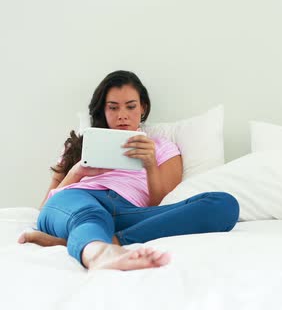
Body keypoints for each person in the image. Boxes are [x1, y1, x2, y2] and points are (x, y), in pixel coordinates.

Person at [19, 70, 239, 271]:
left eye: (130, 106)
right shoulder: (81, 145)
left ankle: (98, 241)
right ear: (103, 110)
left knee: (224, 204)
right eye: (113, 107)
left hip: (130, 213)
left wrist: (150, 164)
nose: (122, 115)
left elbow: (160, 204)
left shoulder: (163, 148)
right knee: (91, 215)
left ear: (142, 108)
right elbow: (44, 210)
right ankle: (98, 253)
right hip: (79, 199)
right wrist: (77, 172)